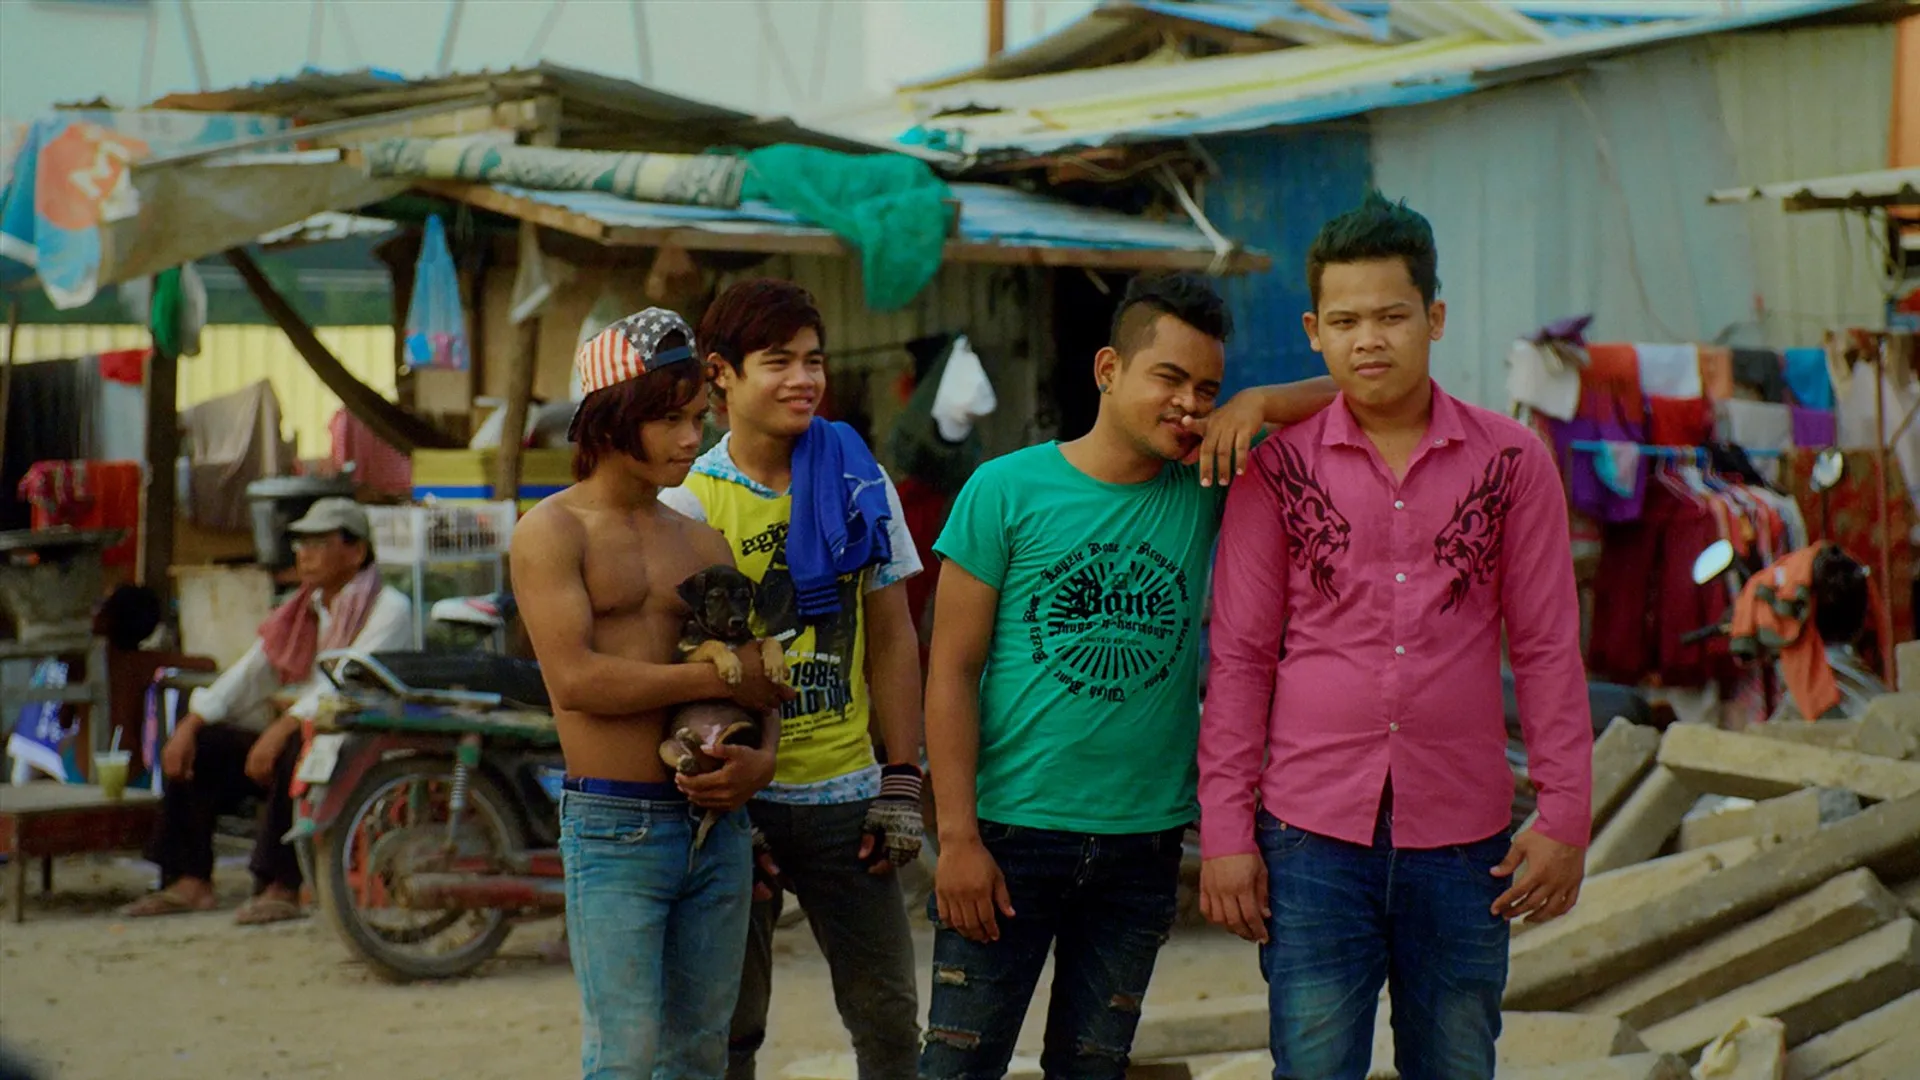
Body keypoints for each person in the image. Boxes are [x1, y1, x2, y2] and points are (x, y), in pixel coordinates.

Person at [1196, 192, 1593, 1080]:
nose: (1368, 340)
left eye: (1391, 316)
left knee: (1455, 1066)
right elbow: (1241, 659)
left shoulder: (1511, 463)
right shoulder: (1276, 470)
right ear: (1314, 331)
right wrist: (1225, 831)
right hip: (1309, 836)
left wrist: (1566, 814)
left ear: (1434, 318)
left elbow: (1545, 648)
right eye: (1344, 321)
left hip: (1464, 837)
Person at [920, 272, 1339, 1080]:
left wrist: (1255, 404)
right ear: (1108, 370)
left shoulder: (1207, 483)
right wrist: (958, 837)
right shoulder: (1005, 490)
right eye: (1169, 378)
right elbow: (951, 672)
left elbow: (1353, 395)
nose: (1189, 405)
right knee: (957, 1066)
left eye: (1207, 389)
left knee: (1094, 1067)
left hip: (1143, 844)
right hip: (1011, 833)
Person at [656, 279, 928, 1080]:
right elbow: (671, 663)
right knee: (729, 1029)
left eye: (814, 360)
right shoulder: (688, 502)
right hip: (735, 802)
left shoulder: (858, 480)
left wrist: (901, 778)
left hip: (848, 798)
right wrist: (713, 800)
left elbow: (893, 636)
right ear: (721, 374)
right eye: (778, 362)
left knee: (888, 1023)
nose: (804, 379)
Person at [511, 308, 791, 1080]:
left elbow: (760, 683)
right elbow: (576, 681)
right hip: (613, 828)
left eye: (697, 418)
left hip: (717, 828)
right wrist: (716, 677)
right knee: (625, 1058)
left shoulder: (701, 540)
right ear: (611, 419)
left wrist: (762, 763)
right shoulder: (552, 532)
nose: (690, 438)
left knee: (700, 1055)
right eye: (669, 420)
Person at [122, 497, 412, 924]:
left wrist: (281, 730)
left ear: (356, 551)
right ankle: (189, 880)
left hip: (357, 741)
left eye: (319, 543)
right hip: (303, 731)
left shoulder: (389, 608)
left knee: (296, 746)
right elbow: (251, 671)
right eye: (301, 544)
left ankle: (282, 885)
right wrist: (192, 723)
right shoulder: (302, 609)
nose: (305, 554)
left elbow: (345, 683)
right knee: (203, 744)